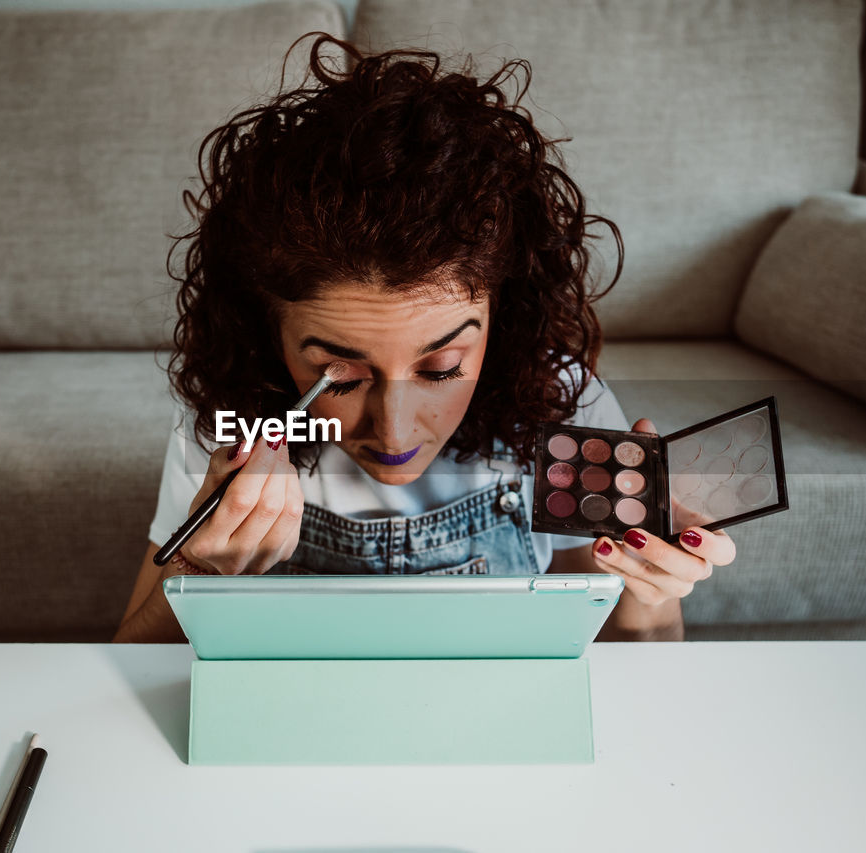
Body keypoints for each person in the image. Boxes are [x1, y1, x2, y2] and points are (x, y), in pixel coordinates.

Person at [114, 34, 735, 644]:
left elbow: (620, 658)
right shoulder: (235, 425)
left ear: (503, 320)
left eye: (441, 368)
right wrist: (199, 572)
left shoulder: (561, 404)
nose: (393, 433)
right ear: (267, 335)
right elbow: (130, 661)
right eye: (339, 377)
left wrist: (650, 593)